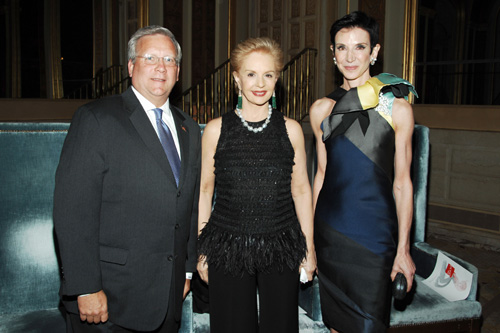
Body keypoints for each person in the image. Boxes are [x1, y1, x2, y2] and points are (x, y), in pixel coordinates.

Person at [54, 25, 201, 332]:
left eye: (170, 60)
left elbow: (188, 204)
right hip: (109, 300)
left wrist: (186, 271)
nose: (161, 67)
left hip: (168, 297)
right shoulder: (97, 118)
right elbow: (72, 210)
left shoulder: (189, 127)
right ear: (132, 66)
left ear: (178, 71)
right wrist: (84, 287)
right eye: (150, 57)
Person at [196, 37, 316, 333]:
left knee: (280, 326)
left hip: (281, 242)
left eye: (268, 74)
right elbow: (205, 191)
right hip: (228, 244)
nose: (259, 83)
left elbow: (301, 190)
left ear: (277, 79)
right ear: (236, 78)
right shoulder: (215, 129)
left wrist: (309, 248)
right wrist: (202, 250)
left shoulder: (291, 130)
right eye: (251, 74)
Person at [309, 11, 418, 333]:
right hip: (330, 233)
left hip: (375, 237)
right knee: (336, 327)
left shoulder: (397, 108)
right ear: (332, 53)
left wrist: (404, 250)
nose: (350, 56)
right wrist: (311, 243)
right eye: (341, 48)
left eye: (359, 47)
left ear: (375, 51)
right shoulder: (321, 110)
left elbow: (402, 184)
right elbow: (321, 176)